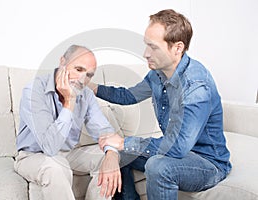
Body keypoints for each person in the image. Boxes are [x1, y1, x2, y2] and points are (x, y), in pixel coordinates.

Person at [89, 9, 232, 200]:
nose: (146, 53)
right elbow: (128, 96)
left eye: (153, 47)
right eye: (146, 45)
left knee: (157, 166)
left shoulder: (196, 86)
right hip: (177, 152)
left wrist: (123, 141)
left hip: (207, 163)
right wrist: (92, 87)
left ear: (178, 48)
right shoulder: (157, 74)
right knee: (121, 155)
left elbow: (179, 146)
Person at [14, 45, 121, 200]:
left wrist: (111, 154)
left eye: (89, 75)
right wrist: (69, 103)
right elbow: (50, 148)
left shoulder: (86, 95)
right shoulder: (33, 91)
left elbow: (104, 130)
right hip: (32, 156)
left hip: (68, 154)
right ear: (62, 62)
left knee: (108, 157)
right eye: (78, 69)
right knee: (55, 167)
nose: (82, 80)